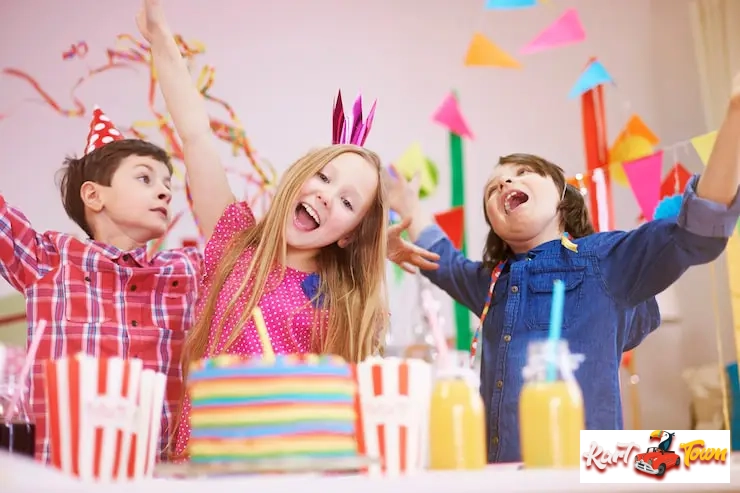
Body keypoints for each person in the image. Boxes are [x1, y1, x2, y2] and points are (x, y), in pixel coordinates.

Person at [385, 78, 740, 463]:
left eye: (523, 172)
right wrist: (405, 206)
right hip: (501, 476)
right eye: (492, 189)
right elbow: (443, 260)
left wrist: (735, 117)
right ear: (495, 224)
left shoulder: (607, 260)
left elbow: (699, 229)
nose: (505, 181)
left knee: (704, 461)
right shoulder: (491, 285)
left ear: (561, 196)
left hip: (589, 471)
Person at [136, 0, 391, 459]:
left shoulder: (345, 305)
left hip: (290, 470)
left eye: (348, 202)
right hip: (201, 465)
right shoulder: (235, 242)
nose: (327, 196)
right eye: (324, 177)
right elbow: (195, 135)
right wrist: (159, 36)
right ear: (301, 175)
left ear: (350, 233)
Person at [0, 107, 202, 462]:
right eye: (145, 178)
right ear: (93, 196)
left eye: (168, 184)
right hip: (62, 474)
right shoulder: (47, 260)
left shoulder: (185, 273)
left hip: (160, 475)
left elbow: (250, 258)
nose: (165, 192)